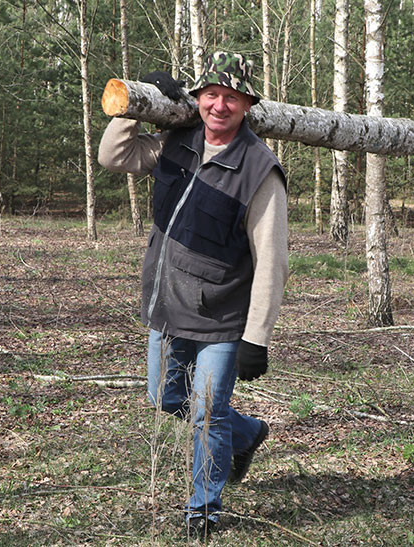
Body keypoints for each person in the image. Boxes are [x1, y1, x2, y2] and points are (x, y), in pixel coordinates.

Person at [98, 52, 288, 537]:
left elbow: (273, 259)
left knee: (206, 415)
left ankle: (203, 508)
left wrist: (257, 337)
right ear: (198, 99)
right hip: (167, 305)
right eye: (211, 95)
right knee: (166, 396)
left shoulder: (258, 169)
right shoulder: (177, 140)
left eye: (231, 97)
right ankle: (248, 431)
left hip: (223, 316)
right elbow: (114, 157)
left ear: (246, 105)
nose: (219, 106)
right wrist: (138, 107)